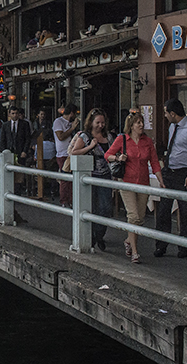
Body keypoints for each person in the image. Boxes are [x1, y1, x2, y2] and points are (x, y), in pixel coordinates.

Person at [106, 111, 161, 263]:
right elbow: (107, 155)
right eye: (138, 123)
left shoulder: (147, 142)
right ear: (131, 125)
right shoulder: (122, 139)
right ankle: (135, 252)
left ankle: (128, 241)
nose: (141, 125)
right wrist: (118, 157)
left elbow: (154, 162)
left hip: (143, 183)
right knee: (133, 216)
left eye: (142, 122)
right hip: (127, 182)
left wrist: (161, 181)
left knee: (140, 218)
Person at [155, 98, 187, 258]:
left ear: (173, 113)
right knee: (163, 210)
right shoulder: (172, 127)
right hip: (170, 171)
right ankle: (161, 244)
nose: (165, 115)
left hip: (184, 172)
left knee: (186, 212)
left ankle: (184, 246)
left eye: (166, 112)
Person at [70, 108, 114, 251]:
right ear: (91, 122)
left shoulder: (109, 136)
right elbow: (74, 152)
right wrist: (90, 147)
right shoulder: (85, 136)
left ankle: (99, 234)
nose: (100, 125)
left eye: (102, 122)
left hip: (106, 175)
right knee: (91, 207)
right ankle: (92, 236)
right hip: (90, 174)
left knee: (105, 207)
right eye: (97, 122)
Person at [0, 106, 32, 194]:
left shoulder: (25, 124)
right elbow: (2, 139)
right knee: (8, 172)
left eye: (16, 113)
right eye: (13, 113)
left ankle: (17, 191)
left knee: (19, 173)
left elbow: (28, 139)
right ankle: (9, 190)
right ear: (9, 114)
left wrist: (24, 151)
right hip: (9, 152)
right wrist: (3, 152)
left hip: (20, 152)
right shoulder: (5, 125)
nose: (15, 115)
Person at [52, 103, 80, 204]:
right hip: (62, 153)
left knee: (73, 178)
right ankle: (64, 200)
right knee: (65, 178)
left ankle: (72, 200)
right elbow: (61, 136)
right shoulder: (58, 122)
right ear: (71, 113)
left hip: (73, 152)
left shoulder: (71, 123)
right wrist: (72, 128)